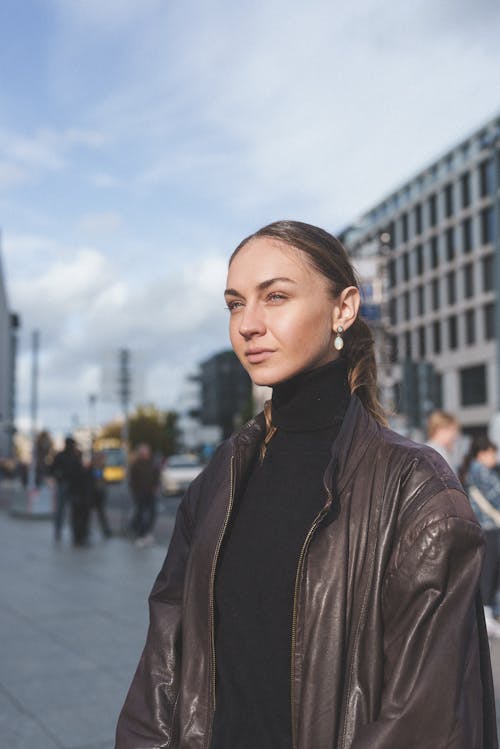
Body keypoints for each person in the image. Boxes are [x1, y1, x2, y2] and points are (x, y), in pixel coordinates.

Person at [116, 221, 497, 748]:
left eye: (275, 297)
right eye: (234, 303)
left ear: (344, 308)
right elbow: (163, 664)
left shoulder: (416, 491)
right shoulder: (220, 477)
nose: (248, 324)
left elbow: (424, 720)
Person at [460, 435, 500, 639]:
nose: (495, 457)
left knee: (490, 570)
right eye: (493, 453)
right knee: (490, 570)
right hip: (489, 527)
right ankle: (487, 615)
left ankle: (489, 614)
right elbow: (497, 495)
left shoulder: (475, 469)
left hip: (487, 526)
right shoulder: (480, 470)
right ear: (483, 453)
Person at [51, 436, 87, 545]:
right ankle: (60, 531)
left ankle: (72, 532)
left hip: (72, 486)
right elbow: (52, 469)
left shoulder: (72, 456)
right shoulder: (62, 456)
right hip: (65, 485)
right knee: (63, 510)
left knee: (72, 510)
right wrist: (59, 476)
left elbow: (80, 471)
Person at [128, 444, 159, 547]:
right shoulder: (136, 465)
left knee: (152, 513)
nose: (146, 454)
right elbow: (132, 480)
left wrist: (155, 486)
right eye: (143, 452)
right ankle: (140, 534)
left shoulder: (152, 463)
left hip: (150, 493)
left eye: (147, 452)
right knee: (140, 514)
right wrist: (135, 492)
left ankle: (146, 532)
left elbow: (156, 476)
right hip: (140, 493)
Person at [85, 451, 112, 540]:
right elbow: (98, 480)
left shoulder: (99, 467)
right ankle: (105, 531)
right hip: (95, 493)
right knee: (97, 513)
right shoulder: (96, 468)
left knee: (97, 513)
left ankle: (105, 531)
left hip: (98, 493)